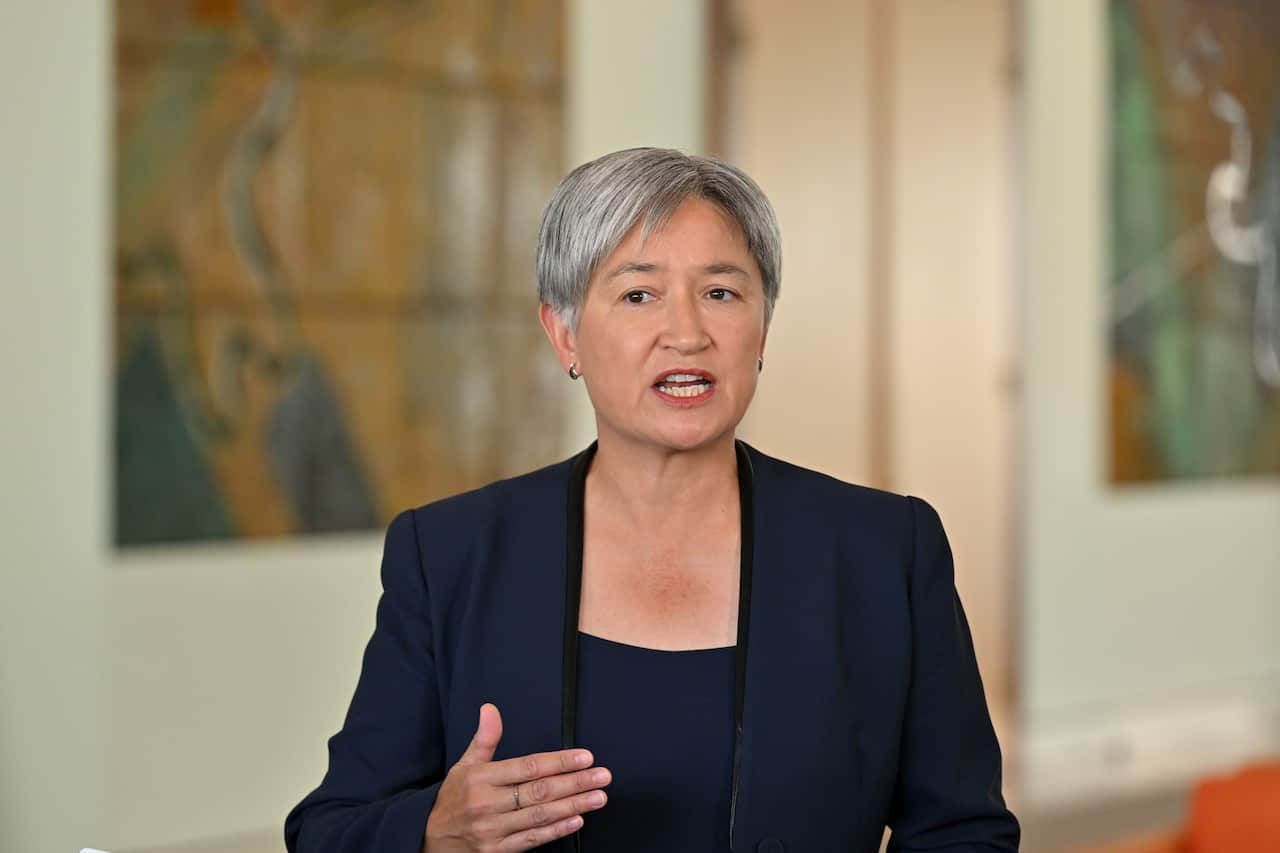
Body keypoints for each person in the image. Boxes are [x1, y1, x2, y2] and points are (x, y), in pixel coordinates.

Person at [284, 147, 1020, 853]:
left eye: (721, 292)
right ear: (562, 333)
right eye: (639, 294)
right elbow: (329, 828)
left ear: (763, 326)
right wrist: (432, 832)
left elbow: (963, 831)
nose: (688, 333)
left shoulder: (885, 550)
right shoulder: (450, 554)